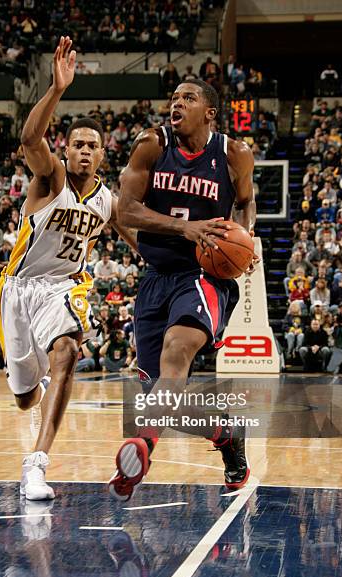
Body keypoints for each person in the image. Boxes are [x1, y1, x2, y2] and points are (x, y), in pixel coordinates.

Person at [0, 36, 136, 502]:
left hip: (63, 289)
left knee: (68, 353)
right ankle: (34, 381)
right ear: (67, 148)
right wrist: (56, 90)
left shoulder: (108, 201)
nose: (82, 151)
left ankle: (35, 465)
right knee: (23, 398)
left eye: (91, 146)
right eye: (76, 143)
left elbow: (140, 242)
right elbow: (29, 139)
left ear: (101, 155)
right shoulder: (50, 177)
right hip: (17, 291)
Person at [109, 79, 257, 501]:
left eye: (188, 99)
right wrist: (183, 227)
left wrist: (244, 240)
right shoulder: (152, 145)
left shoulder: (234, 154)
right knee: (162, 395)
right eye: (173, 98)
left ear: (209, 112)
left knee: (177, 352)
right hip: (157, 277)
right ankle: (226, 434)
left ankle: (143, 447)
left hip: (204, 275)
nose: (177, 104)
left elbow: (245, 202)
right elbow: (127, 209)